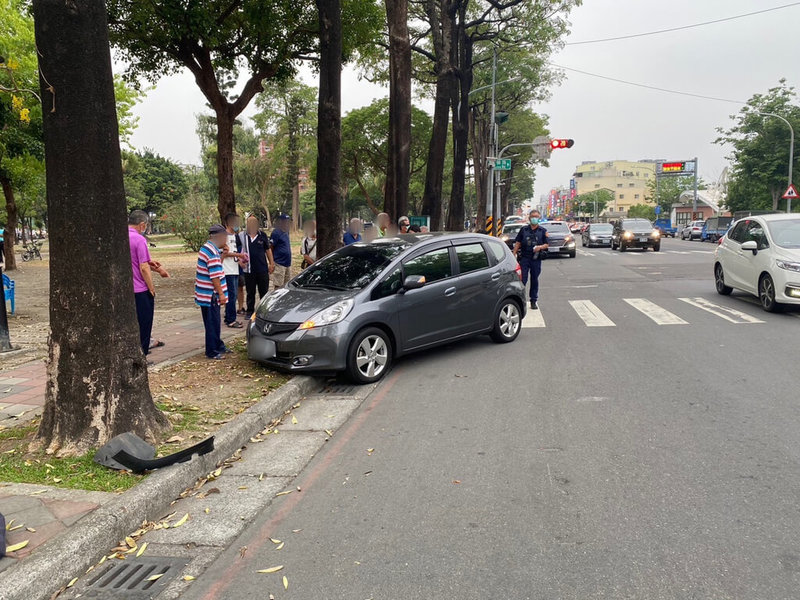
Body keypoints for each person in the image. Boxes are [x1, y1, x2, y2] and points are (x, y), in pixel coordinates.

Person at [128, 210, 170, 358]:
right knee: (144, 325)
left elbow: (141, 262)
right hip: (140, 290)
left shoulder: (120, 237)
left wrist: (155, 268)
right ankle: (142, 356)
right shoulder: (139, 239)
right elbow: (143, 267)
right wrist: (151, 288)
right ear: (142, 225)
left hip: (126, 290)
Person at [195, 225, 229, 360]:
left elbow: (216, 266)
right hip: (210, 294)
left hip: (205, 293)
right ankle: (212, 350)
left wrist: (223, 255)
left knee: (214, 321)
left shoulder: (209, 249)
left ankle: (218, 345)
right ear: (219, 237)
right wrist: (220, 293)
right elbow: (214, 275)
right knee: (212, 322)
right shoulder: (211, 251)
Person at [512, 210, 549, 310]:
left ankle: (533, 300)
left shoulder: (543, 231)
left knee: (534, 279)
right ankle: (521, 299)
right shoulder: (524, 230)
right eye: (533, 216)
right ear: (529, 218)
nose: (534, 218)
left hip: (536, 259)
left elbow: (547, 244)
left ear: (539, 218)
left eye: (536, 217)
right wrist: (513, 254)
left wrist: (540, 247)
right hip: (524, 258)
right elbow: (518, 242)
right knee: (522, 279)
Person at [239, 215, 274, 319]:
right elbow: (236, 249)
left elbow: (268, 250)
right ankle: (250, 311)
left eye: (254, 222)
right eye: (250, 222)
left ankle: (263, 312)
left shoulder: (262, 235)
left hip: (262, 269)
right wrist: (239, 261)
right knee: (250, 292)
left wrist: (271, 263)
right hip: (249, 269)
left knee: (264, 291)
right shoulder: (242, 236)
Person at [221, 213, 247, 329]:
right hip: (227, 270)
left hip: (235, 269)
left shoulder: (235, 236)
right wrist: (239, 254)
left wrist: (241, 261)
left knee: (234, 294)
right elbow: (224, 253)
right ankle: (231, 320)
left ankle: (229, 316)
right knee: (231, 295)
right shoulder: (224, 236)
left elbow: (234, 253)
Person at [270, 213, 292, 290]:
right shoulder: (276, 233)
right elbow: (271, 247)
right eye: (285, 221)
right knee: (278, 285)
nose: (287, 223)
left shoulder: (287, 232)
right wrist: (272, 262)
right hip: (279, 262)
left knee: (287, 285)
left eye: (288, 221)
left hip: (287, 263)